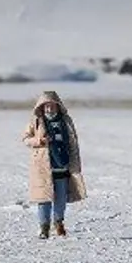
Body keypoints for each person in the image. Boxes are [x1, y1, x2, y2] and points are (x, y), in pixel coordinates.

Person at [21, 90, 87, 239]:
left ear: (58, 106)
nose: (49, 109)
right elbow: (25, 139)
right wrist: (39, 141)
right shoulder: (36, 121)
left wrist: (74, 162)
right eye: (46, 107)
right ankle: (44, 227)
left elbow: (72, 142)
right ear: (41, 108)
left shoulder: (66, 121)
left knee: (61, 198)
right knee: (43, 199)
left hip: (62, 166)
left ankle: (59, 223)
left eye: (52, 106)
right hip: (44, 167)